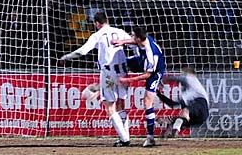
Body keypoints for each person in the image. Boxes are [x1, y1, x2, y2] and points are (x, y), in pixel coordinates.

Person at [59, 13, 134, 147]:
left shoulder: (97, 35)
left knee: (109, 106)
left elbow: (82, 52)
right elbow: (135, 44)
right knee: (121, 104)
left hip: (108, 73)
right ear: (108, 20)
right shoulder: (120, 31)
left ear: (97, 24)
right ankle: (125, 137)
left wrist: (66, 57)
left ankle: (124, 139)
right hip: (123, 71)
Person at [111, 26, 165, 147]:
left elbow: (147, 74)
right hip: (141, 61)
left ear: (139, 39)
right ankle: (105, 85)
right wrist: (121, 42)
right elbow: (133, 41)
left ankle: (150, 138)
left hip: (155, 73)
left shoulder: (151, 54)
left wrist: (128, 79)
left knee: (147, 102)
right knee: (121, 63)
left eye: (133, 36)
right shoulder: (142, 40)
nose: (132, 38)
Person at [157, 67, 209, 137]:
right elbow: (173, 104)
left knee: (185, 111)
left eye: (184, 73)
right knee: (180, 118)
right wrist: (159, 94)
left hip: (201, 105)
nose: (183, 74)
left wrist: (163, 80)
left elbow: (180, 79)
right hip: (201, 118)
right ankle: (173, 129)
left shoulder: (192, 79)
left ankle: (173, 126)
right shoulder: (186, 94)